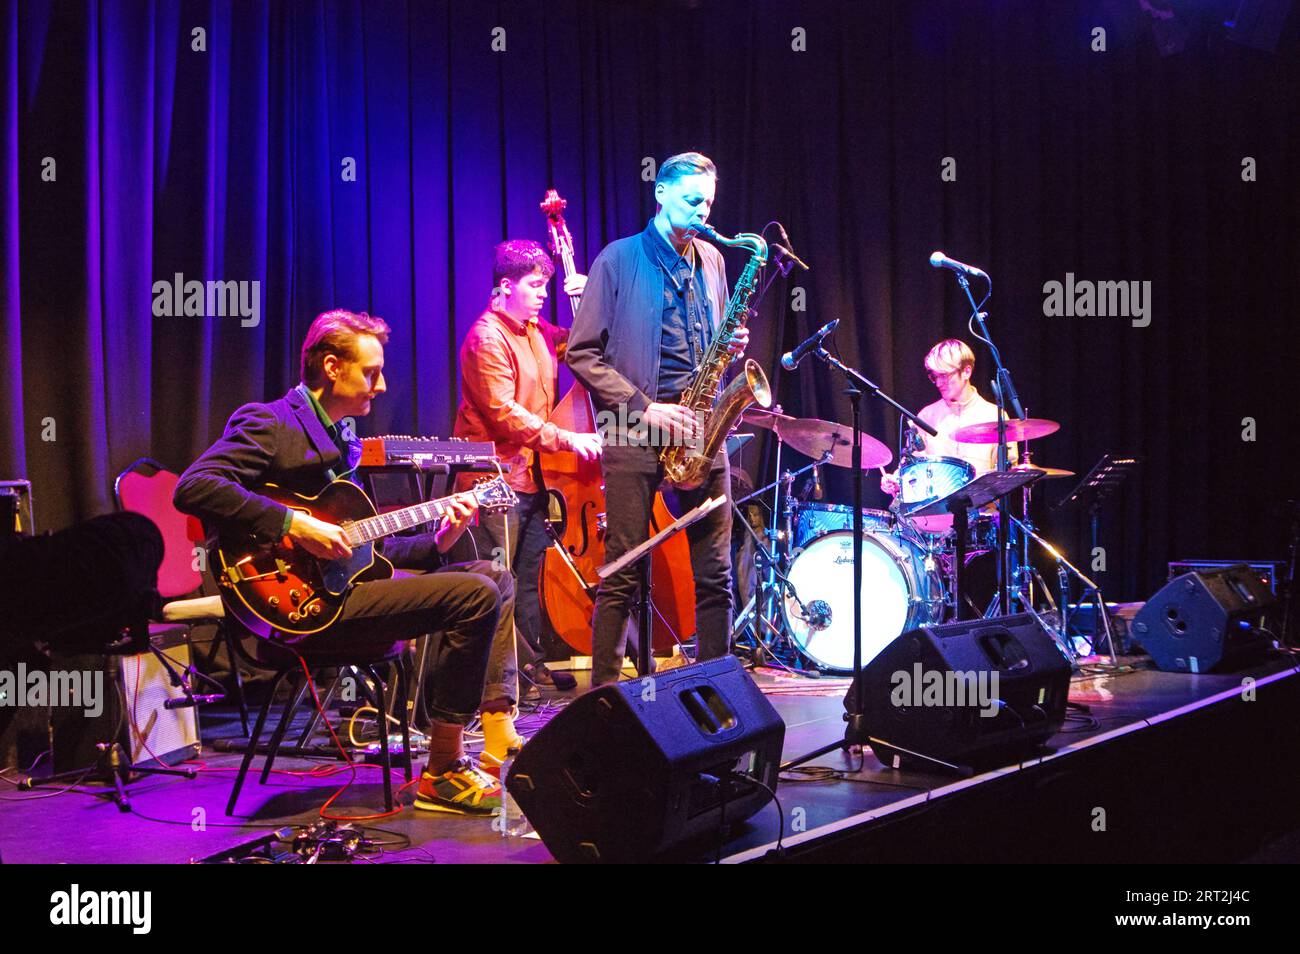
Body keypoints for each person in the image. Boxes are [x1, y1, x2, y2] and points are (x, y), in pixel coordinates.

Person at [174, 309, 514, 812]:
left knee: (495, 578)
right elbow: (194, 486)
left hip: (341, 592)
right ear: (332, 367)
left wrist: (441, 539)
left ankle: (493, 727)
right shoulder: (269, 422)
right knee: (476, 593)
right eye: (371, 372)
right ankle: (442, 769)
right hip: (294, 609)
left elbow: (362, 552)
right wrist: (294, 525)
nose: (381, 386)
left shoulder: (343, 443)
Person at [567, 151, 748, 686]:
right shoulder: (617, 260)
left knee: (715, 575)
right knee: (623, 570)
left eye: (709, 203)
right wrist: (647, 409)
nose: (702, 213)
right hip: (634, 428)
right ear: (661, 193)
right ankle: (603, 698)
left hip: (699, 429)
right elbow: (582, 354)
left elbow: (708, 342)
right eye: (693, 200)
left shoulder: (713, 261)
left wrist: (730, 344)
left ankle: (720, 686)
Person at [452, 240, 599, 695]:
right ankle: (499, 683)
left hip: (533, 478)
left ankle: (529, 665)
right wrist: (569, 439)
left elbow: (582, 345)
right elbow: (505, 415)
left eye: (545, 286)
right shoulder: (486, 338)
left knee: (531, 580)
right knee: (503, 579)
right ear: (504, 286)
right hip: (496, 481)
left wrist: (590, 297)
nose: (542, 294)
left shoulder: (534, 330)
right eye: (535, 286)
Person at [880, 338, 1017, 531]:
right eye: (934, 376)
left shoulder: (995, 416)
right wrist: (896, 480)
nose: (939, 383)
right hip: (935, 519)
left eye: (944, 375)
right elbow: (913, 468)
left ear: (967, 371)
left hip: (982, 518)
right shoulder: (926, 416)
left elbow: (1009, 474)